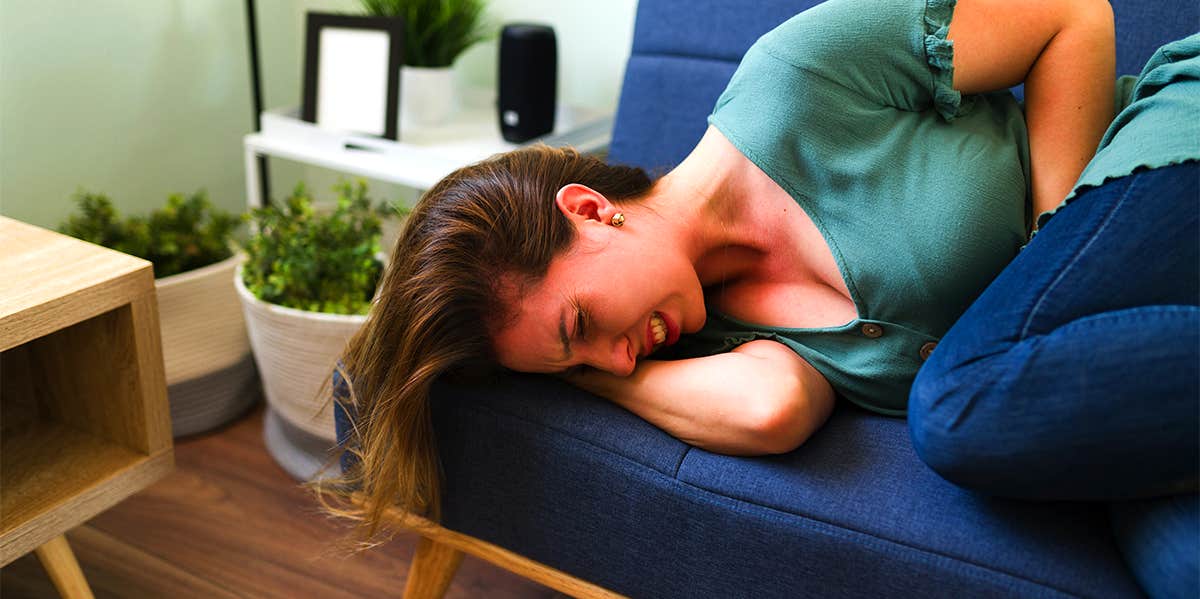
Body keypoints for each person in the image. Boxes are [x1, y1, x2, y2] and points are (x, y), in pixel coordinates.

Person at [318, 0, 1198, 589]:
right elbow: (772, 407)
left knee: (956, 409)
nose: (618, 354)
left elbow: (1071, 17)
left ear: (589, 211)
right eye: (576, 363)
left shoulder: (798, 79)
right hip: (1133, 359)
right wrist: (583, 369)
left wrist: (1048, 245)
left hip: (1159, 162)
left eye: (583, 324)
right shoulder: (708, 336)